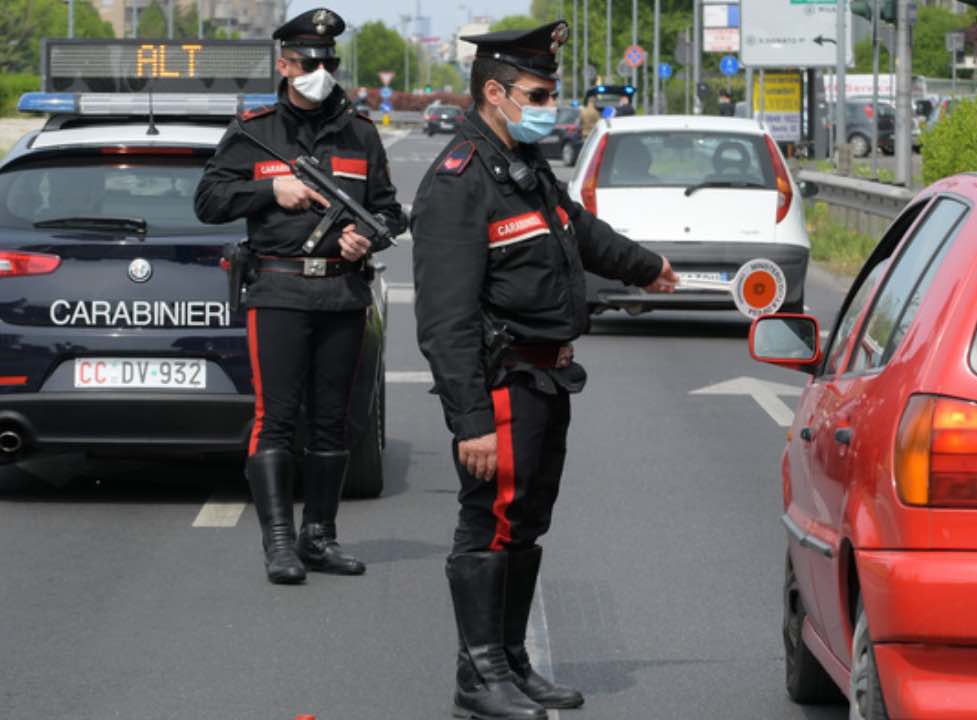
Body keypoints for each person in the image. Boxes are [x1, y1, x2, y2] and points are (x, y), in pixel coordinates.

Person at [411, 20, 678, 720]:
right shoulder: (459, 182)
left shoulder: (523, 168)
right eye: (537, 94)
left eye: (552, 93)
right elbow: (444, 320)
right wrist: (470, 420)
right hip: (503, 380)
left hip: (548, 377)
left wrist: (645, 266)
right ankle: (478, 675)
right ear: (494, 93)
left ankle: (511, 662)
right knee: (490, 520)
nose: (550, 105)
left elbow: (577, 230)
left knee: (525, 521)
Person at [194, 7, 405, 585]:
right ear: (284, 66)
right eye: (308, 63)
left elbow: (389, 210)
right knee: (278, 418)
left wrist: (368, 237)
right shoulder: (254, 131)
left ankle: (320, 536)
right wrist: (271, 191)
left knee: (333, 421)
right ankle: (280, 543)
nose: (320, 73)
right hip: (279, 289)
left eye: (328, 63)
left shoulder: (359, 132)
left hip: (342, 291)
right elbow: (208, 201)